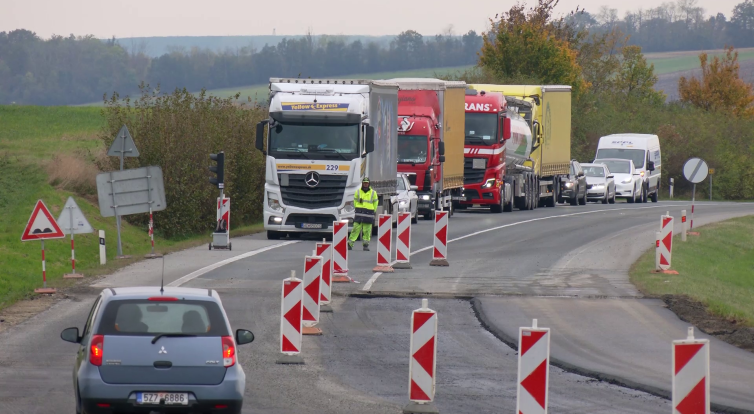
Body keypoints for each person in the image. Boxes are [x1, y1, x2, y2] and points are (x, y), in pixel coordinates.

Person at [348, 177, 378, 251]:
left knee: (367, 231)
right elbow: (355, 202)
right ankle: (350, 244)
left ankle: (365, 245)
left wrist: (373, 210)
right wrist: (358, 208)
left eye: (367, 183)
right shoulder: (358, 192)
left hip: (368, 214)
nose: (365, 184)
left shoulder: (373, 193)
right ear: (362, 183)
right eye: (364, 183)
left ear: (369, 184)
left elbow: (376, 203)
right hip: (359, 214)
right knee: (355, 229)